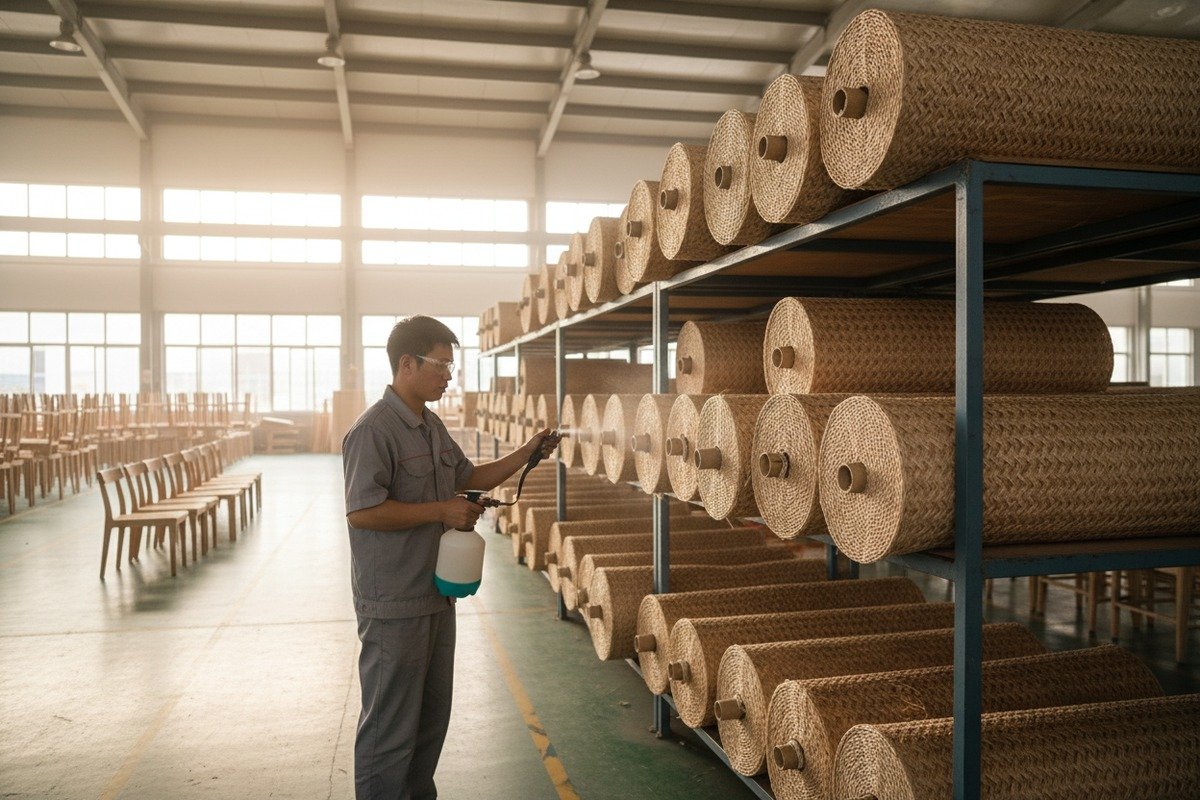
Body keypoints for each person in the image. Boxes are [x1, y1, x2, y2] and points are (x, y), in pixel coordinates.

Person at [342, 315, 556, 800]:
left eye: (450, 367)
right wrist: (441, 509)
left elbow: (471, 474)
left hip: (437, 595)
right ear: (406, 363)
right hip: (394, 601)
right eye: (441, 365)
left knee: (430, 719)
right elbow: (361, 512)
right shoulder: (373, 430)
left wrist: (529, 450)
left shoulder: (431, 427)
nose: (448, 375)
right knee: (390, 727)